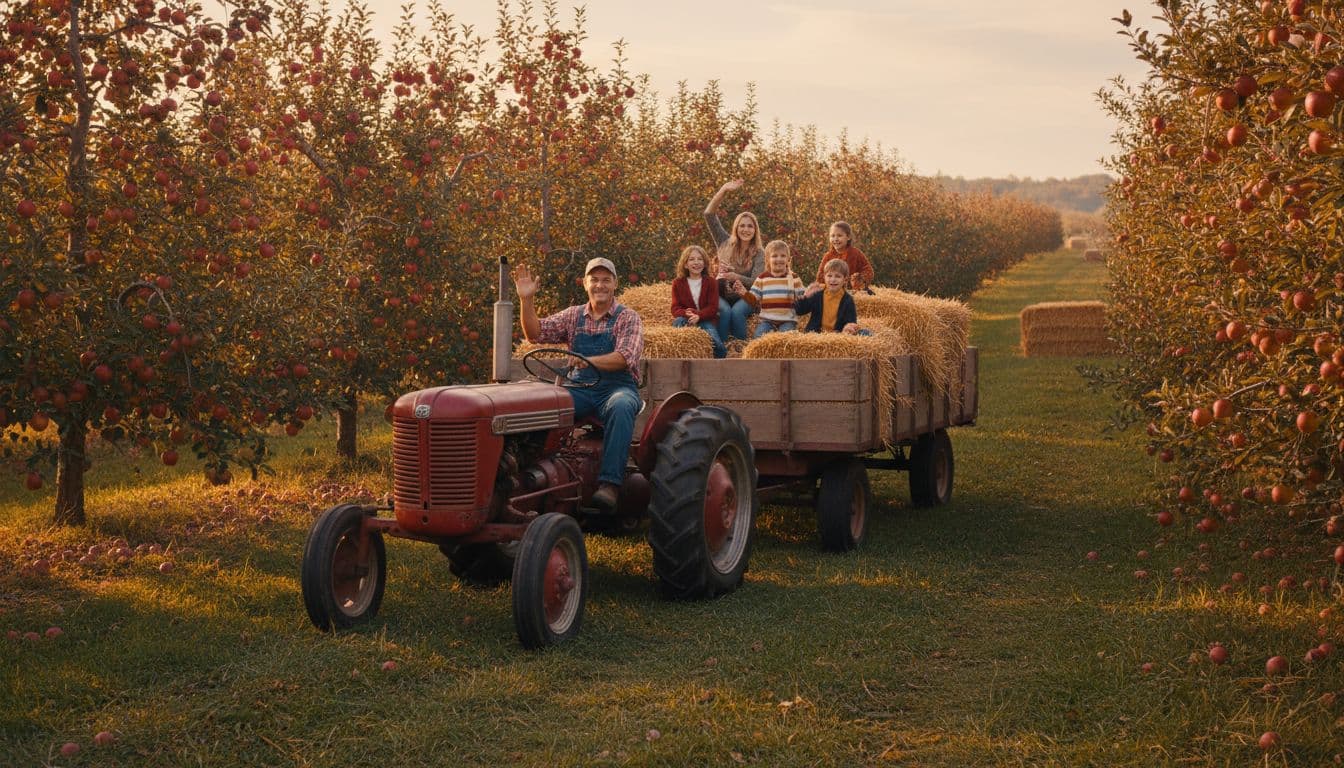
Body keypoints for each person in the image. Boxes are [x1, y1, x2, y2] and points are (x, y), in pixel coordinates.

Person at [514, 257, 643, 510]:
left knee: (622, 405)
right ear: (585, 284)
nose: (600, 285)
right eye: (594, 280)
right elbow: (534, 333)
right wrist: (526, 300)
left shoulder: (627, 318)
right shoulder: (573, 315)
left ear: (615, 284)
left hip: (615, 389)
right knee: (541, 404)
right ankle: (535, 476)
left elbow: (625, 357)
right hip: (579, 390)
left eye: (606, 280)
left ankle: (610, 485)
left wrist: (589, 361)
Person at [703, 178, 766, 343]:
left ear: (755, 230)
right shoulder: (724, 241)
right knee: (724, 311)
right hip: (722, 294)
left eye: (750, 226)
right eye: (742, 225)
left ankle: (740, 350)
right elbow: (709, 214)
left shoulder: (760, 253)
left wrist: (735, 277)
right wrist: (723, 190)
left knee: (736, 312)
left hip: (746, 297)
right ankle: (722, 350)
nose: (745, 229)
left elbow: (757, 282)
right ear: (736, 228)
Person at [670, 245, 727, 358]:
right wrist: (686, 313)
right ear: (685, 264)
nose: (696, 262)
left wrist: (699, 316)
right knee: (676, 327)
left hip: (705, 318)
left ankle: (720, 362)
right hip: (685, 317)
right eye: (691, 259)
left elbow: (713, 307)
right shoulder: (677, 283)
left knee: (717, 344)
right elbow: (675, 308)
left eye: (700, 259)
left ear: (705, 263)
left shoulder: (711, 282)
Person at [741, 240, 806, 338]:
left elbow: (803, 297)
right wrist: (744, 293)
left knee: (786, 339)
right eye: (774, 256)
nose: (779, 259)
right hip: (767, 320)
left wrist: (809, 293)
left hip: (787, 320)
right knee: (758, 337)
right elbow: (754, 301)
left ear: (788, 259)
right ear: (767, 259)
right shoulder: (762, 278)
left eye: (783, 256)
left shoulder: (793, 278)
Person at [794, 258, 863, 334]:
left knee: (865, 333)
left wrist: (847, 328)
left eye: (837, 276)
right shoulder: (817, 295)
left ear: (845, 280)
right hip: (815, 334)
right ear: (824, 277)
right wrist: (805, 296)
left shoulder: (848, 300)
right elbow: (799, 311)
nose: (833, 279)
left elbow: (851, 321)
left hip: (837, 335)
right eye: (829, 276)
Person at [809, 221, 875, 294]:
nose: (835, 239)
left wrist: (859, 279)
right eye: (832, 236)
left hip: (852, 291)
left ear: (848, 237)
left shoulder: (855, 253)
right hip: (833, 291)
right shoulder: (828, 256)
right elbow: (820, 277)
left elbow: (868, 270)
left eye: (839, 236)